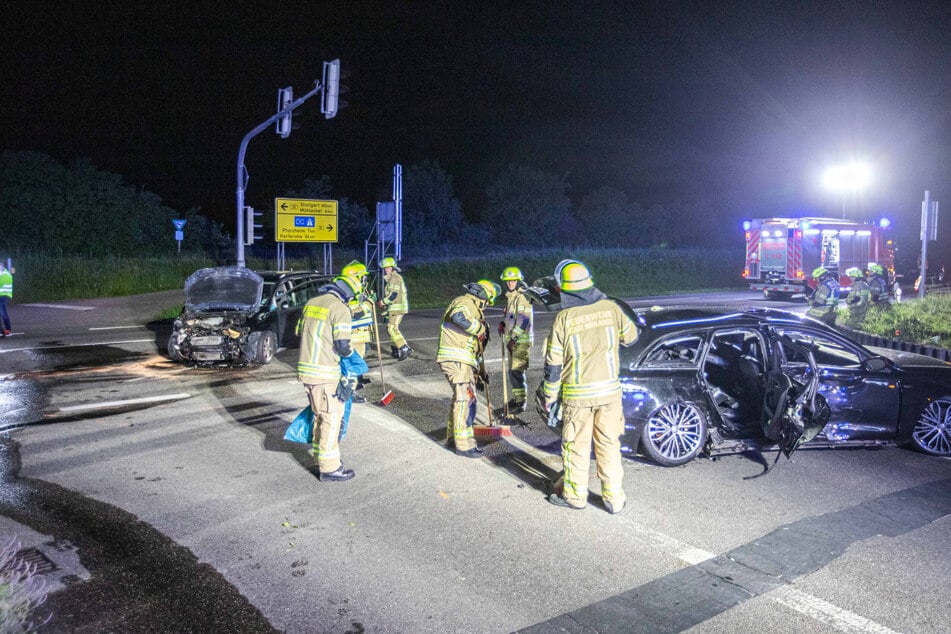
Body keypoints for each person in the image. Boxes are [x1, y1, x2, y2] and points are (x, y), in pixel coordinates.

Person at [543, 260, 639, 514]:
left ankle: (575, 497)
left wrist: (550, 395)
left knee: (576, 446)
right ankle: (614, 499)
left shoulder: (564, 317)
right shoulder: (612, 308)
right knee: (608, 444)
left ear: (563, 288)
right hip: (609, 394)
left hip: (577, 396)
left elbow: (553, 362)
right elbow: (631, 337)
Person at [296, 273, 363, 482]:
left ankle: (321, 456)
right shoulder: (339, 308)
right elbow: (343, 346)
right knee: (331, 418)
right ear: (349, 295)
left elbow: (299, 331)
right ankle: (330, 468)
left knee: (320, 415)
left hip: (307, 371)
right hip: (325, 372)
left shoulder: (312, 303)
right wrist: (353, 358)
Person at [436, 279, 500, 458]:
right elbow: (458, 317)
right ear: (484, 296)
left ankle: (452, 439)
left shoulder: (470, 305)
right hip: (456, 359)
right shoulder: (466, 302)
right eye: (488, 301)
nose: (486, 306)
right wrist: (479, 328)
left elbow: (473, 346)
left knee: (461, 399)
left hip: (461, 360)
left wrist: (479, 372)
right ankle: (464, 445)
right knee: (465, 401)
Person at [498, 266, 533, 412]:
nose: (510, 283)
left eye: (513, 280)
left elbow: (524, 321)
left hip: (521, 341)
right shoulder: (511, 298)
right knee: (513, 372)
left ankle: (522, 402)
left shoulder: (522, 297)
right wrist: (503, 324)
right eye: (508, 281)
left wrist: (513, 338)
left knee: (517, 371)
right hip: (514, 341)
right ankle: (518, 399)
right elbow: (513, 318)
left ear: (518, 281)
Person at [341, 260, 374, 404]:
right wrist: (367, 304)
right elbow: (356, 312)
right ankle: (349, 391)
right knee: (352, 364)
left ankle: (351, 386)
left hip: (360, 335)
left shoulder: (358, 292)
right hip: (352, 336)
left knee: (356, 362)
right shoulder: (349, 294)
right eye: (362, 277)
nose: (365, 280)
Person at [379, 257, 411, 360]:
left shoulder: (395, 278)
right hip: (394, 308)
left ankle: (404, 348)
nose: (386, 269)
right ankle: (396, 350)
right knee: (391, 329)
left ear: (393, 267)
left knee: (392, 328)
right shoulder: (392, 278)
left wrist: (383, 302)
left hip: (397, 308)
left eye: (388, 267)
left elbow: (393, 295)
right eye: (384, 268)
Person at [0, 261, 11, 336]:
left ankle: (8, 329)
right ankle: (1, 330)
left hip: (3, 295)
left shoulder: (6, 274)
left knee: (3, 313)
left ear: (2, 266)